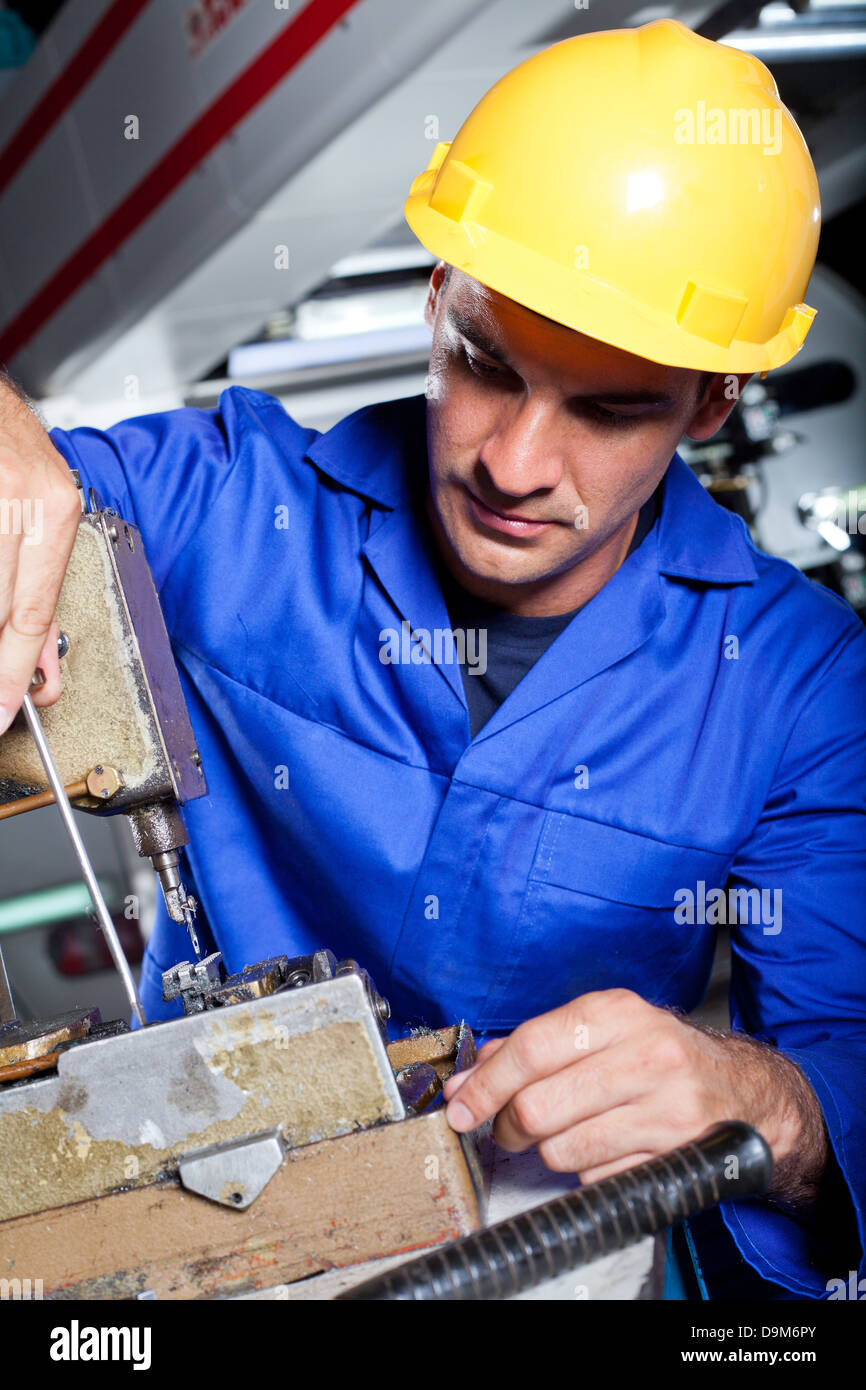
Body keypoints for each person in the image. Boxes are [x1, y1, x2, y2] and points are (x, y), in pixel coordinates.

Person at [0, 19, 863, 1301]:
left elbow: (840, 1058)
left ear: (712, 401)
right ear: (433, 297)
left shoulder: (796, 684)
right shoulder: (225, 509)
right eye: (481, 361)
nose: (511, 464)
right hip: (200, 1213)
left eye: (608, 407)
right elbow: (50, 496)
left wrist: (766, 1101)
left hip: (562, 1254)